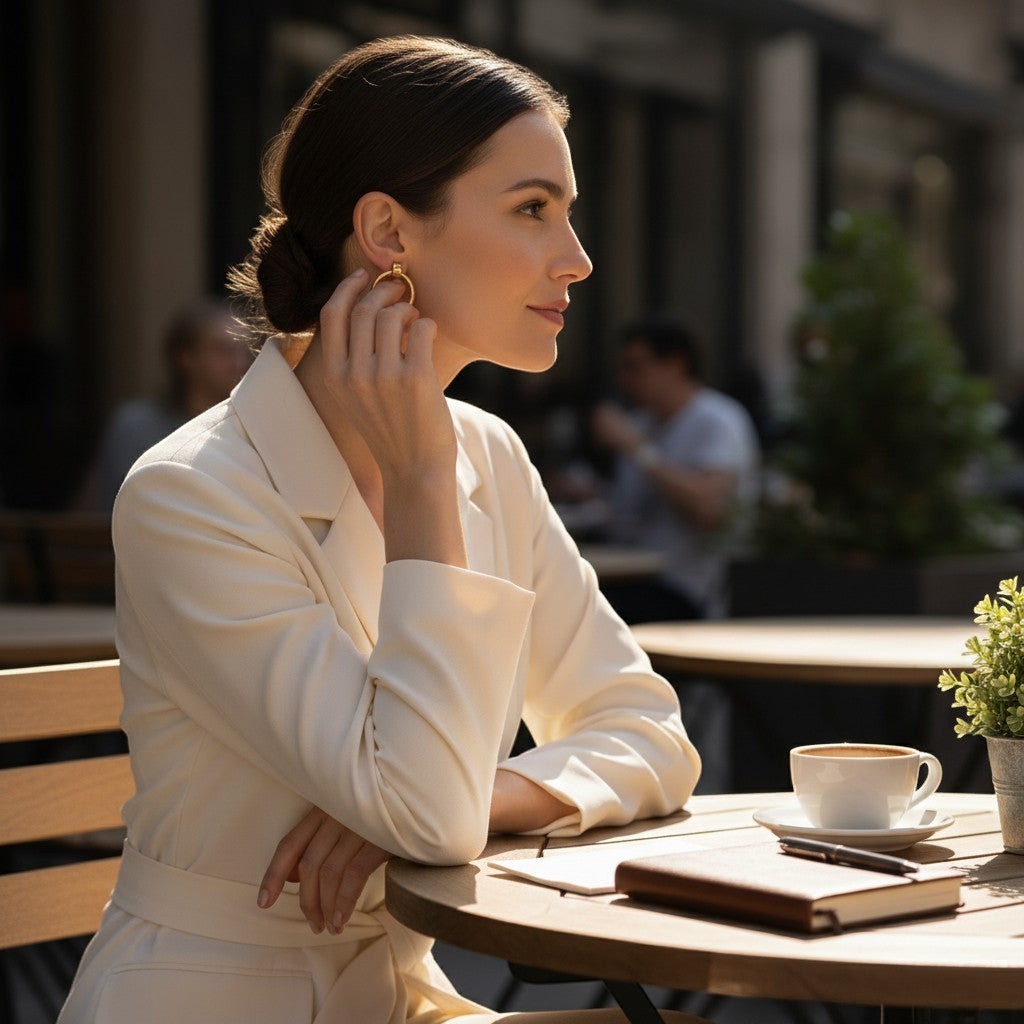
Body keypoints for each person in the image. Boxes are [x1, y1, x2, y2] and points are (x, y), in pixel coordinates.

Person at [57, 36, 702, 1024]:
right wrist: (416, 483)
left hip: (400, 993)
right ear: (389, 232)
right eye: (533, 210)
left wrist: (480, 792)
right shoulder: (194, 493)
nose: (575, 259)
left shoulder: (485, 451)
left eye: (566, 215)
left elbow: (650, 735)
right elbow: (425, 816)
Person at [592, 317, 761, 623]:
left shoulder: (717, 419)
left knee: (582, 618)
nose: (625, 380)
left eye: (635, 367)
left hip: (690, 589)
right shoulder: (643, 422)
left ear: (676, 364)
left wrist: (638, 449)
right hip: (634, 578)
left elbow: (711, 510)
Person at [74, 298, 253, 512]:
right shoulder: (136, 426)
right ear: (186, 358)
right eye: (222, 350)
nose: (238, 362)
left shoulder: (251, 427)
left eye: (242, 350)